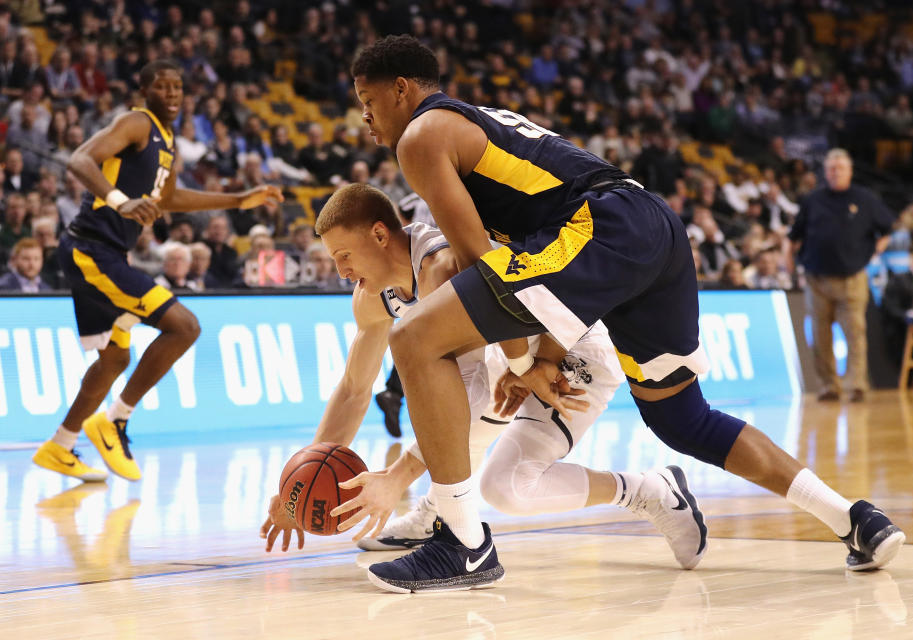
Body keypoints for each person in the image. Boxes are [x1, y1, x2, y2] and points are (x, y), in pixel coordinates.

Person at [346, 36, 904, 593]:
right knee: (683, 419)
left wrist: (522, 365)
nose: (366, 119)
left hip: (599, 226)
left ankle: (464, 544)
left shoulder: (421, 136)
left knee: (415, 338)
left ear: (402, 89)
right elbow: (543, 276)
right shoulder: (475, 120)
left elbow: (478, 259)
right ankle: (854, 519)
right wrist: (540, 355)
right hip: (650, 226)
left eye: (368, 101)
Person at [260, 184, 707, 576]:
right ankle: (648, 489)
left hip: (569, 348)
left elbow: (473, 401)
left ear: (379, 235)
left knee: (470, 419)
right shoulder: (371, 299)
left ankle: (646, 492)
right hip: (509, 367)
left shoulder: (442, 268)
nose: (341, 272)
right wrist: (294, 486)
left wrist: (396, 478)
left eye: (344, 256)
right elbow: (355, 390)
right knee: (508, 487)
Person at [31, 60, 282, 483]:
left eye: (177, 87)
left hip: (110, 253)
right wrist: (119, 200)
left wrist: (239, 200)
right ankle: (115, 420)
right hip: (92, 249)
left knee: (114, 360)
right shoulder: (135, 122)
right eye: (162, 86)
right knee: (184, 327)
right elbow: (79, 159)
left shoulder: (168, 142)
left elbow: (168, 198)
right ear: (145, 90)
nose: (171, 93)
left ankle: (60, 444)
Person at [789, 149, 894, 402]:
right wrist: (792, 267)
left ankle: (856, 384)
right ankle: (829, 385)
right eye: (831, 168)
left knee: (855, 332)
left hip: (852, 278)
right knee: (820, 335)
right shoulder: (812, 200)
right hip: (817, 279)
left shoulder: (865, 199)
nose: (835, 172)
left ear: (850, 171)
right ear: (825, 172)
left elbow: (887, 229)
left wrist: (872, 253)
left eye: (840, 168)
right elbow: (794, 237)